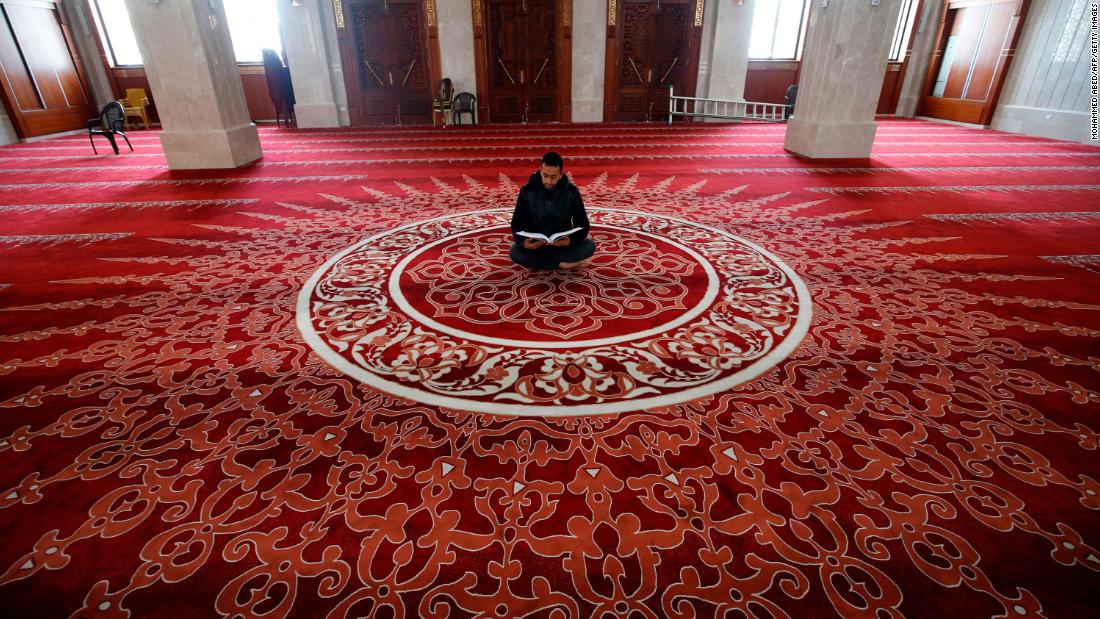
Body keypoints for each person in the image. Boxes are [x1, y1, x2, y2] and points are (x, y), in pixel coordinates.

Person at [509, 152, 596, 270]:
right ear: (540, 170)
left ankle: (544, 262)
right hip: (536, 245)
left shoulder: (571, 192)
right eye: (545, 175)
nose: (549, 181)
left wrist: (570, 240)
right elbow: (516, 224)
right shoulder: (527, 191)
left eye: (553, 177)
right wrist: (524, 243)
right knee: (515, 252)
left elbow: (583, 224)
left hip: (562, 245)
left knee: (589, 246)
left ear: (560, 174)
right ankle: (562, 264)